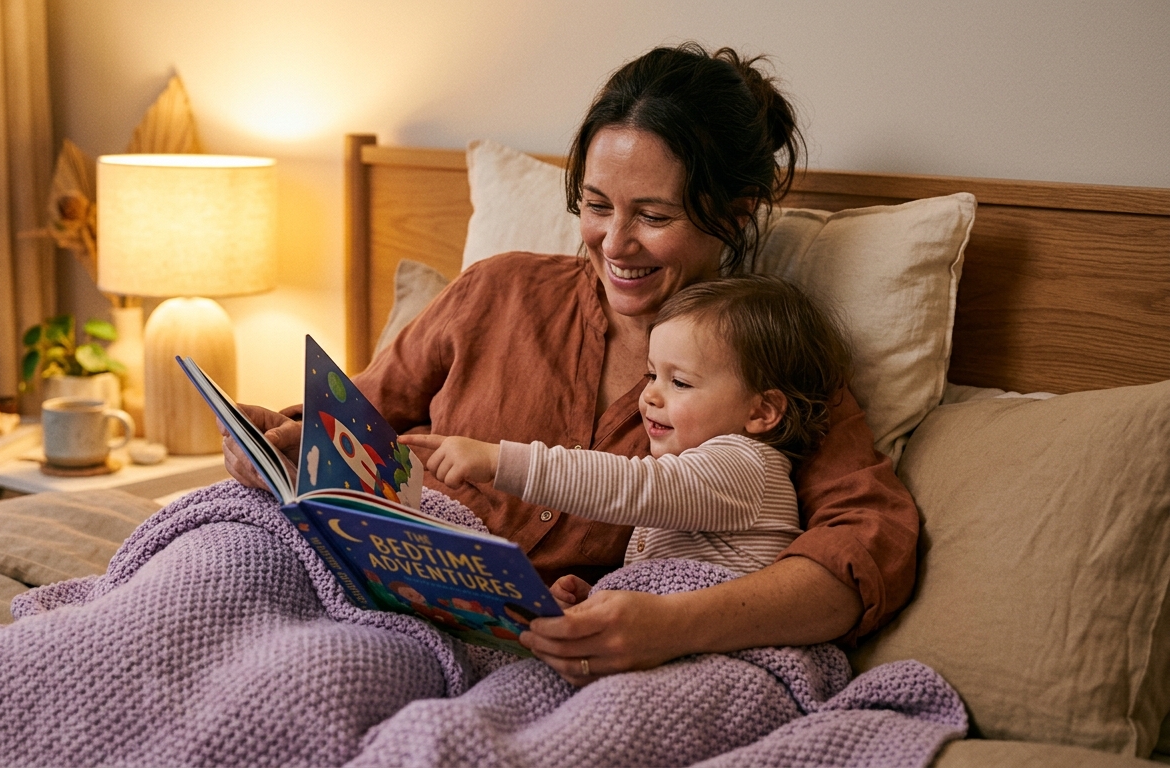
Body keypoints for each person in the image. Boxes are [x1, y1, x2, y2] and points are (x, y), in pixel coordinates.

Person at [223, 43, 919, 687]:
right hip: (369, 593)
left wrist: (673, 625)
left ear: (734, 216)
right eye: (595, 205)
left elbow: (864, 550)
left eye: (653, 215)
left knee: (308, 683)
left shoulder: (770, 368)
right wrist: (281, 448)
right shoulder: (495, 291)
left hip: (514, 662)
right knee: (210, 560)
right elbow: (355, 422)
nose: (615, 242)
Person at [400, 275, 850, 609]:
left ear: (761, 412)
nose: (649, 395)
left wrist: (500, 461)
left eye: (681, 383)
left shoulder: (744, 466)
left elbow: (630, 487)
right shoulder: (702, 473)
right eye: (652, 375)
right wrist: (596, 596)